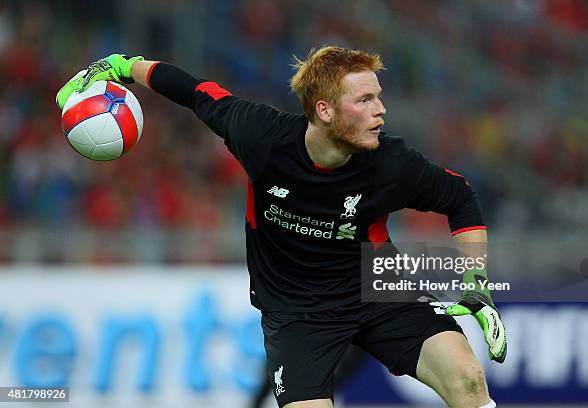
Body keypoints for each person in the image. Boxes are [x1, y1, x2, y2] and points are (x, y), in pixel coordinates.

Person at [56, 47, 507, 408]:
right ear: (325, 111)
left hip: (377, 289)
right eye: (365, 100)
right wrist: (121, 66)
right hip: (296, 313)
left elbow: (459, 198)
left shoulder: (392, 164)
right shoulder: (262, 136)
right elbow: (195, 92)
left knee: (468, 381)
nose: (381, 111)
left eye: (379, 98)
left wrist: (475, 281)